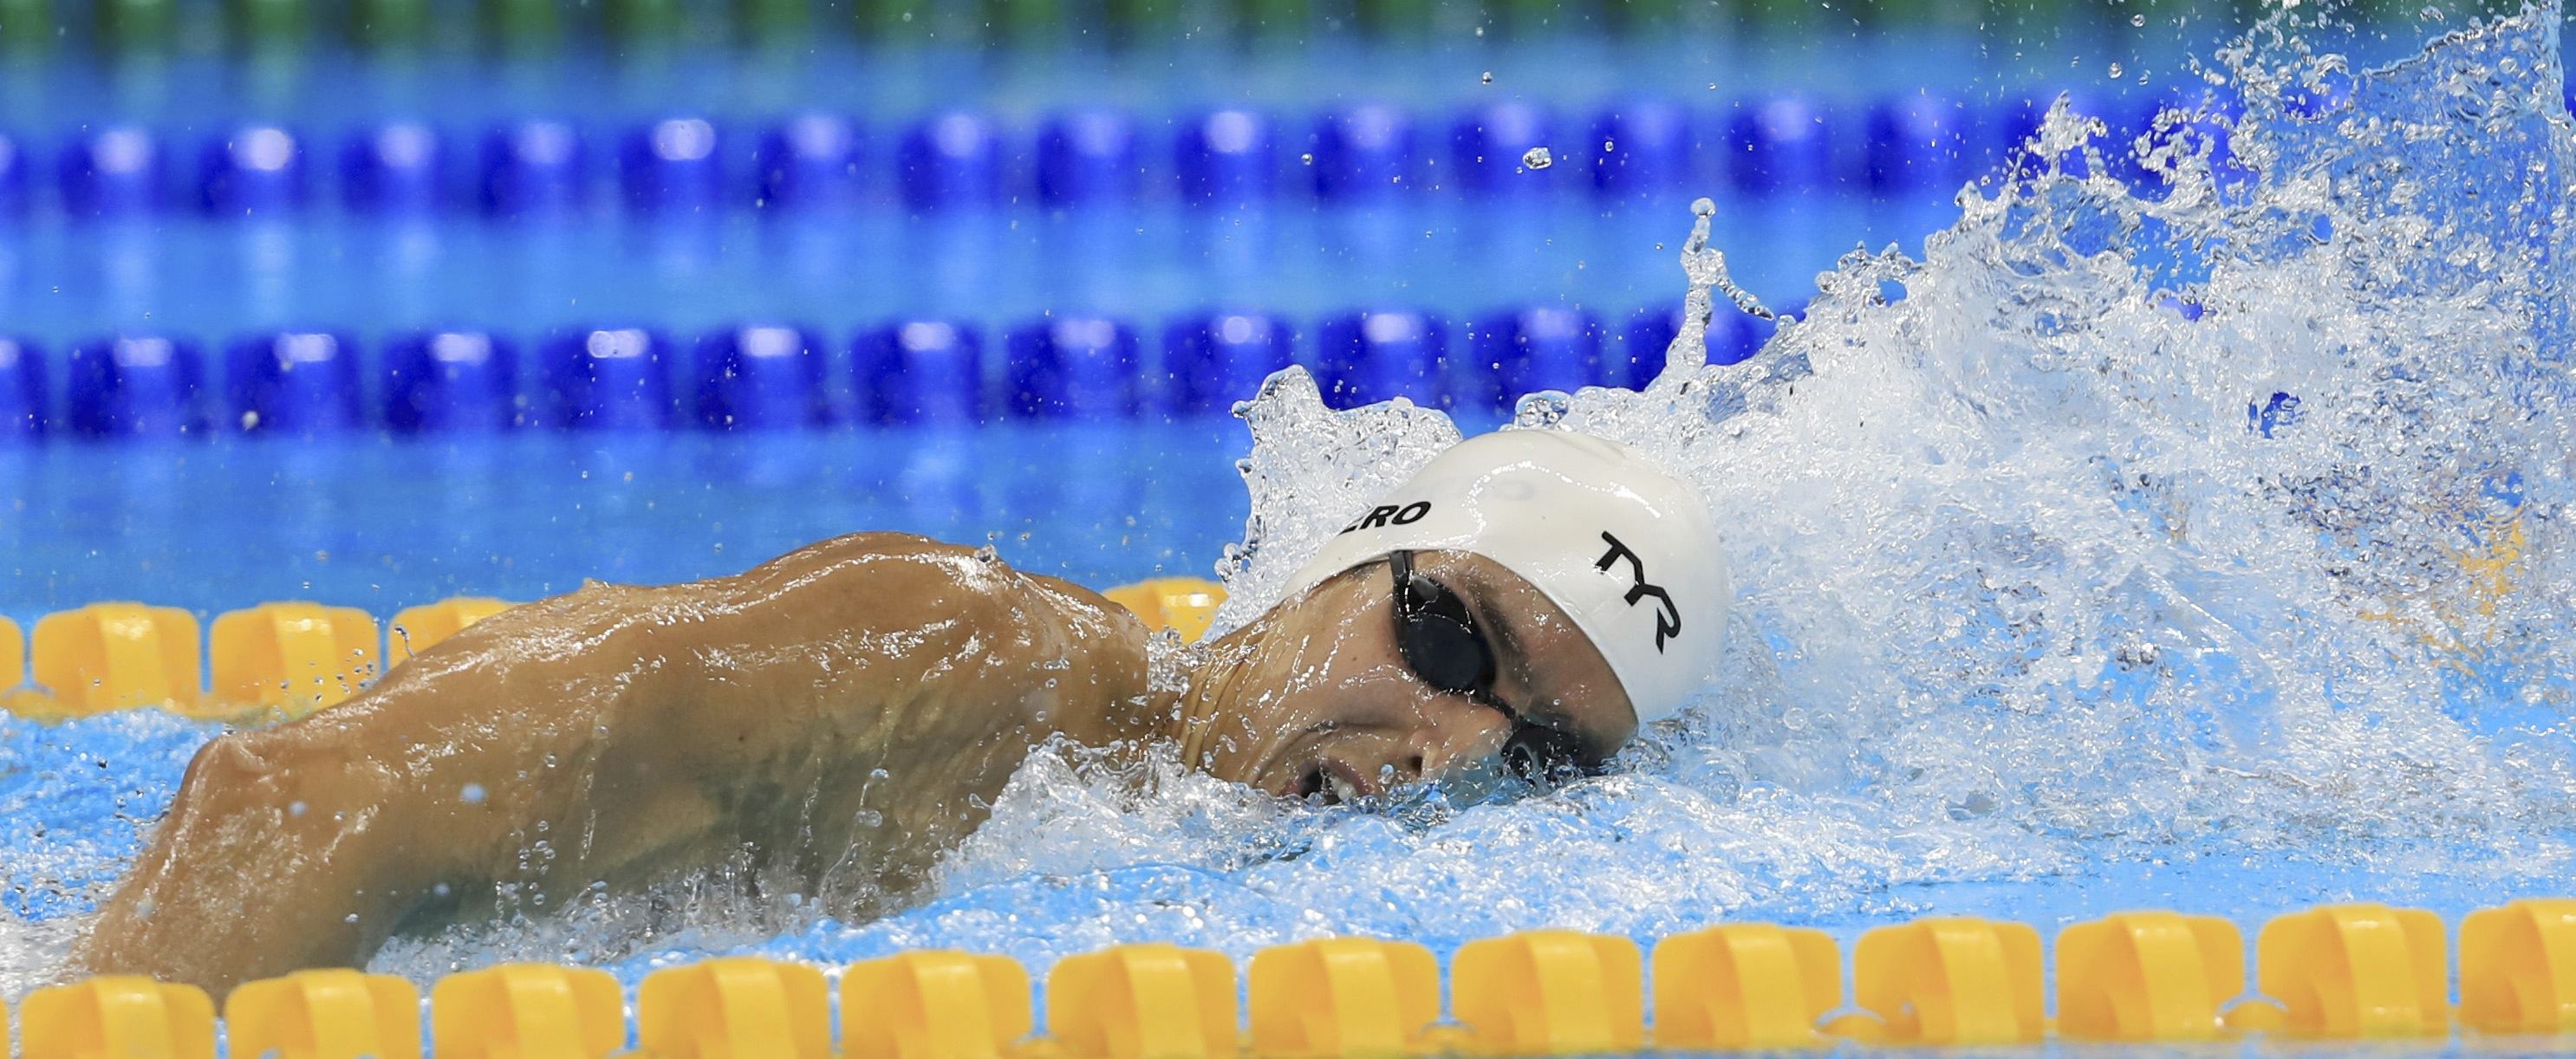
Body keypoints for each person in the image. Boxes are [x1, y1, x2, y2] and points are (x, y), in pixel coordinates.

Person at [83, 427, 1727, 997]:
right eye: (1446, 637)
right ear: (1329, 563)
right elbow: (289, 797)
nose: (1446, 751)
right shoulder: (958, 665)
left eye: (1536, 754)